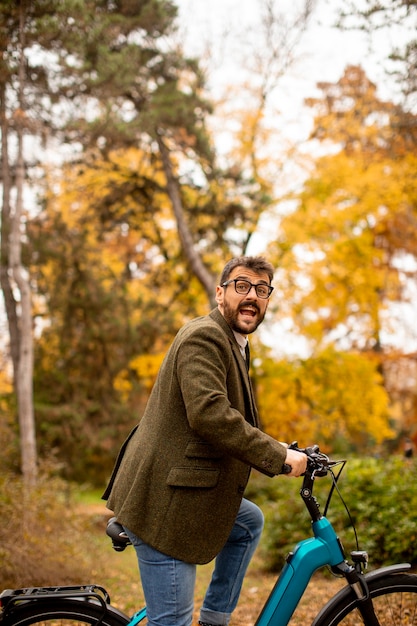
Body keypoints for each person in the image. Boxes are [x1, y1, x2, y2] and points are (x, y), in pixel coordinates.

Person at [102, 255, 307, 626]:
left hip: (185, 491)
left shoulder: (235, 343)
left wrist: (282, 447)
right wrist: (278, 455)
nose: (252, 297)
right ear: (220, 293)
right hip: (164, 504)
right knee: (173, 621)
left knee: (248, 523)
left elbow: (232, 417)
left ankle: (214, 619)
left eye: (262, 290)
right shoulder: (205, 336)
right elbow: (210, 414)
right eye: (242, 286)